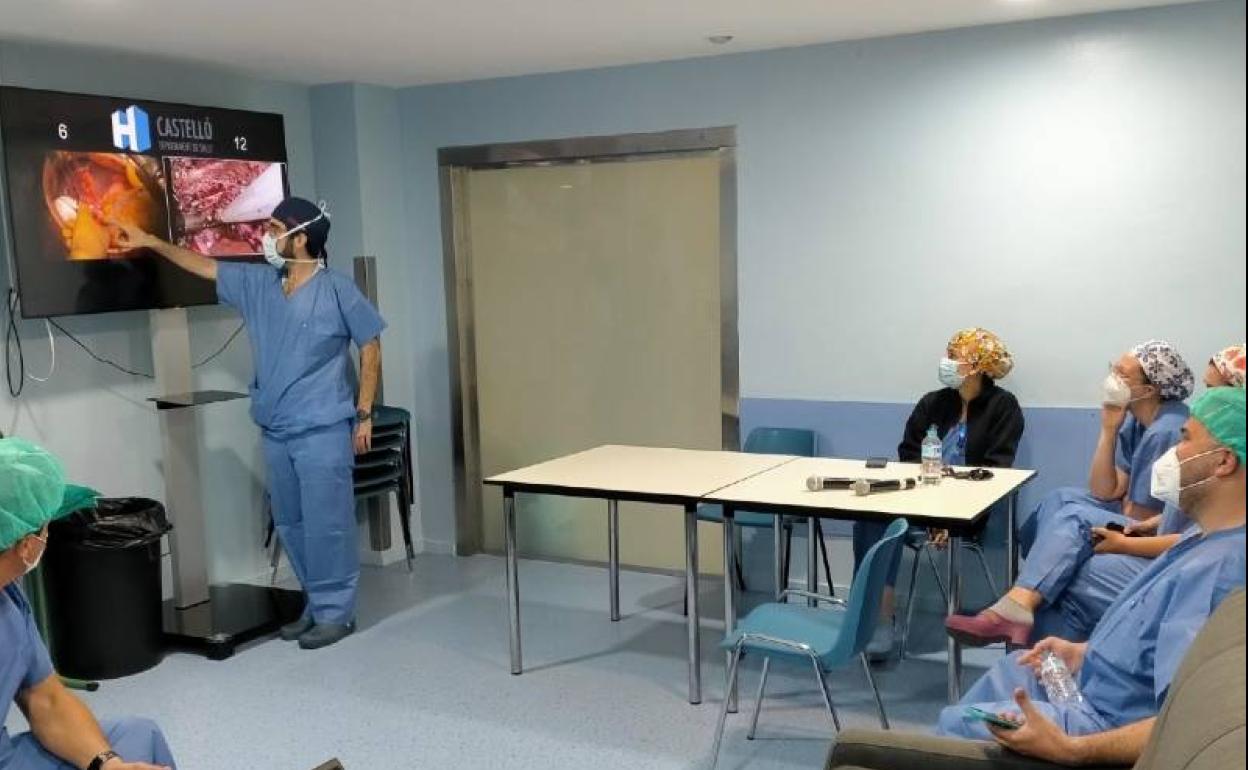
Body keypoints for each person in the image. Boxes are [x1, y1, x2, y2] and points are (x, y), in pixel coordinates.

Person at [117, 197, 386, 650]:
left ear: (300, 239)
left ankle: (337, 614)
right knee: (291, 522)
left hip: (322, 428)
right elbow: (205, 267)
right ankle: (315, 604)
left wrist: (364, 413)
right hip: (277, 429)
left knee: (328, 524)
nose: (266, 236)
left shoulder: (338, 290)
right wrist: (149, 241)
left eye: (276, 228)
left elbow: (371, 346)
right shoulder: (261, 286)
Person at [935, 387, 1246, 769]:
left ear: (1223, 461)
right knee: (1012, 669)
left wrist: (1074, 749)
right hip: (1086, 685)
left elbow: (1186, 721)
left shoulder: (1224, 571)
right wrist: (1083, 653)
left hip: (1101, 724)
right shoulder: (1201, 537)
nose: (1172, 453)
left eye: (1185, 439)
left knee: (956, 727)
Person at [1, 437, 176, 770]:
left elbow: (46, 699)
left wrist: (108, 764)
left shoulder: (10, 597)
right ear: (27, 545)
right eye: (46, 527)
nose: (48, 535)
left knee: (138, 735)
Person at [855, 328, 1025, 658]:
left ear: (977, 365)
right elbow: (908, 455)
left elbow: (996, 471)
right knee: (870, 517)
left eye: (955, 356)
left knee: (892, 519)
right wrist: (928, 506)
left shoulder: (1003, 406)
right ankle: (879, 618)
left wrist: (948, 515)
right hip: (919, 499)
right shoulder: (932, 403)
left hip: (969, 509)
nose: (946, 362)